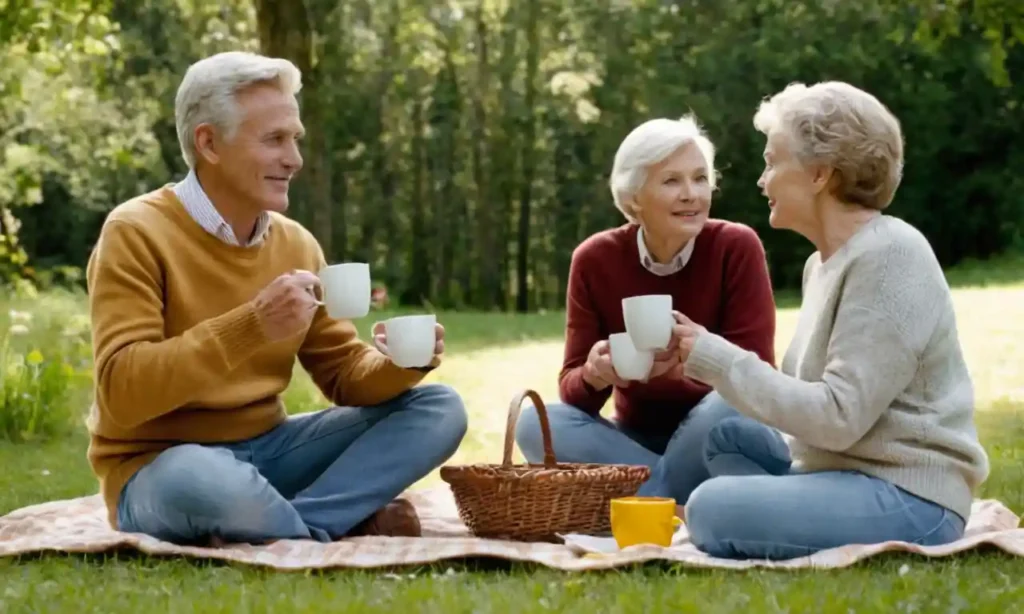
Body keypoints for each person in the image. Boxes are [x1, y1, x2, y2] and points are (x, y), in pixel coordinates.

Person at [85, 51, 468, 546]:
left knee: (440, 408)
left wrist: (400, 365)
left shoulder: (295, 242)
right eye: (275, 140)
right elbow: (121, 391)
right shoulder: (135, 231)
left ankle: (298, 525)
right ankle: (331, 523)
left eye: (295, 139)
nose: (295, 159)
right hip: (161, 465)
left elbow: (343, 374)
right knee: (202, 477)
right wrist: (252, 325)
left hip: (272, 450)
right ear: (209, 142)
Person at [676, 81, 991, 560]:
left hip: (910, 495)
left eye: (772, 162)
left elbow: (839, 417)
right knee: (726, 438)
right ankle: (790, 509)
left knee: (709, 509)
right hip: (837, 469)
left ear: (820, 173)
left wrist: (718, 358)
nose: (763, 180)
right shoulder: (821, 265)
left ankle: (762, 512)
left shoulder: (890, 256)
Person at [514, 115, 788, 505]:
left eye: (699, 178)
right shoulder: (595, 259)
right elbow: (575, 393)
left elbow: (756, 377)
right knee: (535, 424)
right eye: (671, 181)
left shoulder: (735, 247)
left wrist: (687, 366)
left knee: (732, 399)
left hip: (717, 434)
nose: (692, 194)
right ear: (634, 196)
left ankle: (645, 496)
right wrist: (593, 374)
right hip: (634, 438)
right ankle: (674, 497)